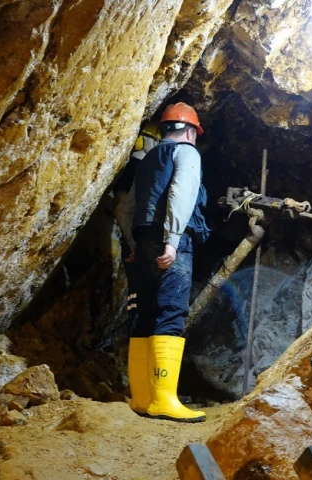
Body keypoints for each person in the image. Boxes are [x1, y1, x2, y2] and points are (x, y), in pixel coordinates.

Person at [127, 102, 210, 423]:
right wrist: (173, 241)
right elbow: (182, 192)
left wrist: (135, 244)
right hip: (171, 241)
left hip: (144, 242)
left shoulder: (147, 160)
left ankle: (141, 398)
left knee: (144, 313)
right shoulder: (188, 153)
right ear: (191, 131)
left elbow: (127, 206)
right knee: (170, 311)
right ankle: (163, 399)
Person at [112, 123, 161, 317]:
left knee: (140, 296)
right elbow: (122, 209)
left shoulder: (131, 169)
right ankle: (140, 330)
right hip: (136, 241)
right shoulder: (138, 169)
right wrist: (135, 245)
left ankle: (139, 328)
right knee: (143, 294)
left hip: (134, 239)